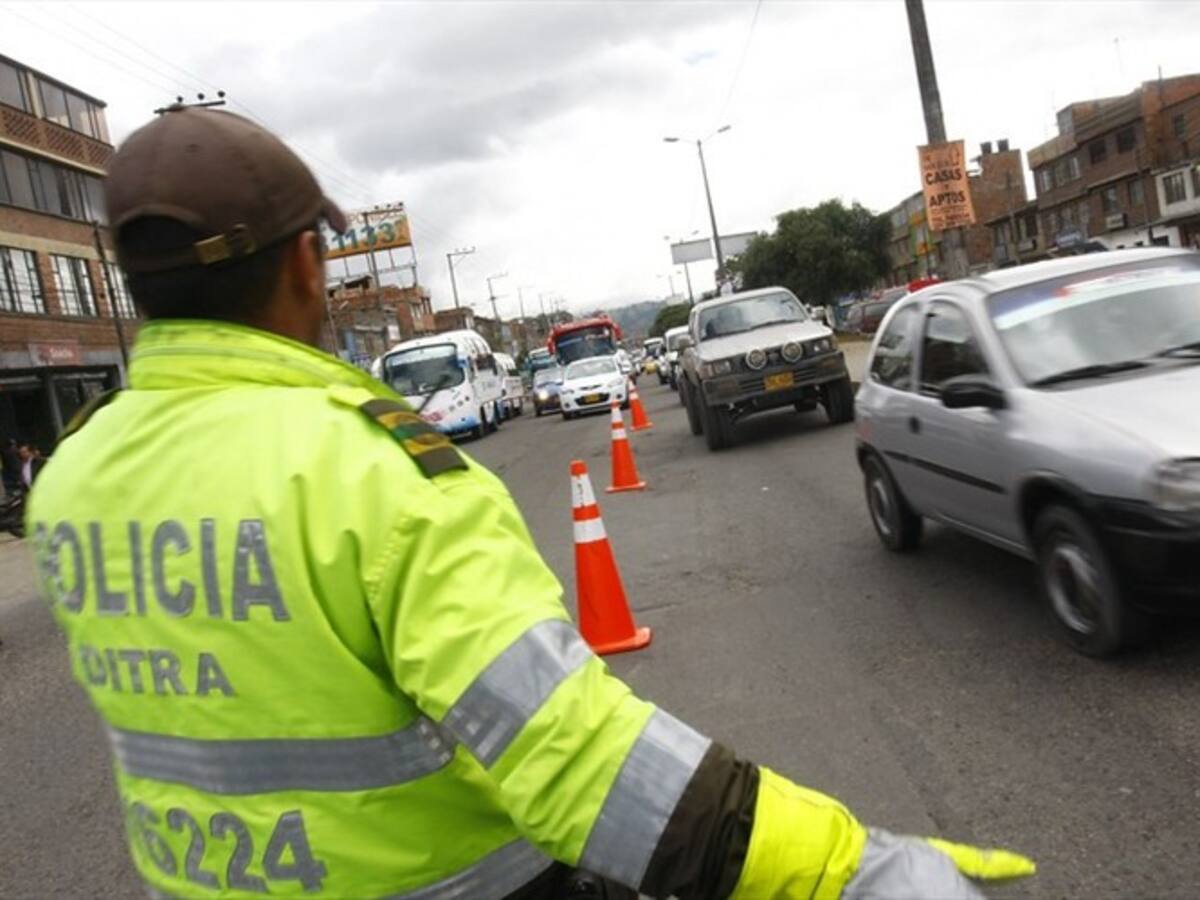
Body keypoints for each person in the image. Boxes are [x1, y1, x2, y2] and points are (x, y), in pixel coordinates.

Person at [26, 107, 1035, 899]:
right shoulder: (371, 472)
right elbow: (573, 759)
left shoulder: (74, 474)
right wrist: (845, 867)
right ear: (305, 261)